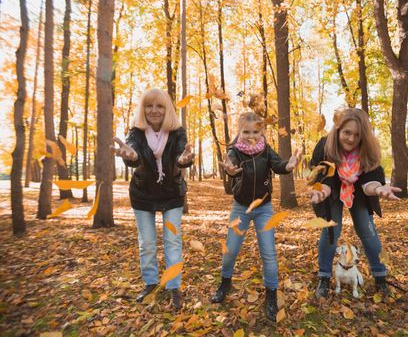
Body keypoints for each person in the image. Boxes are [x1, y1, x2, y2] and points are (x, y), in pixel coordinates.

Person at [210, 112, 302, 322]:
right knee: (231, 250)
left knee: (268, 252)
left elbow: (279, 164)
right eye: (246, 131)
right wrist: (231, 172)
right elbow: (232, 167)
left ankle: (271, 294)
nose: (251, 136)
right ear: (239, 132)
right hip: (241, 208)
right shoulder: (234, 151)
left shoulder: (266, 151)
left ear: (262, 132)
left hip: (263, 208)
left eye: (255, 131)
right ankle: (225, 282)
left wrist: (289, 165)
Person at [111, 88, 194, 310]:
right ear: (143, 109)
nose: (154, 110)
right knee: (147, 243)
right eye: (149, 105)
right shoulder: (136, 132)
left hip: (172, 194)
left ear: (167, 109)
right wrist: (132, 156)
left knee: (172, 241)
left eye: (159, 106)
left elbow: (180, 154)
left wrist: (184, 159)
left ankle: (173, 286)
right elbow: (133, 152)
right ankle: (150, 283)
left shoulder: (177, 132)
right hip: (143, 194)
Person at [308, 108, 401, 299]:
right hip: (331, 190)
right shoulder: (325, 146)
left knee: (367, 231)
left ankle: (380, 277)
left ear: (363, 136)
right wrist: (323, 190)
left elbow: (370, 180)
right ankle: (324, 277)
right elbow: (320, 173)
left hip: (359, 191)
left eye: (357, 135)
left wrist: (378, 189)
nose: (350, 138)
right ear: (338, 130)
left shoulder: (367, 151)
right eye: (347, 132)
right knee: (331, 230)